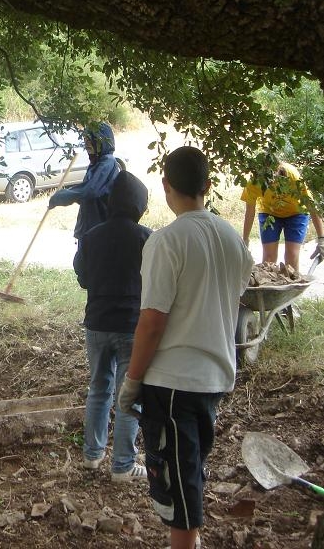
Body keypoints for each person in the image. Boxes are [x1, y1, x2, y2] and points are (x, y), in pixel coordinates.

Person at [118, 146, 253, 549]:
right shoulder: (233, 240)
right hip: (213, 378)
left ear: (166, 187)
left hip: (174, 383)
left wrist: (132, 381)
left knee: (177, 483)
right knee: (188, 472)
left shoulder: (167, 241)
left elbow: (152, 322)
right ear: (208, 186)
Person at [72, 171, 152, 482]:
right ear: (139, 206)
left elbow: (82, 277)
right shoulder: (148, 238)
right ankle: (122, 466)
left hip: (97, 324)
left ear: (111, 202)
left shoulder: (91, 236)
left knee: (98, 389)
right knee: (128, 396)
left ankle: (92, 456)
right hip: (132, 327)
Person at [241, 161, 324, 271]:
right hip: (269, 213)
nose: (272, 183)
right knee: (268, 259)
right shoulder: (254, 181)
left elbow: (310, 204)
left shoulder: (293, 175)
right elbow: (249, 212)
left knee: (291, 257)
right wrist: (245, 240)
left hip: (297, 213)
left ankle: (293, 286)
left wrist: (321, 239)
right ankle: (268, 287)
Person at [48, 121, 121, 243]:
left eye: (90, 140)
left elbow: (89, 191)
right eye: (85, 140)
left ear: (101, 142)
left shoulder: (107, 163)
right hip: (89, 229)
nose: (87, 144)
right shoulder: (96, 163)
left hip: (97, 231)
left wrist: (61, 196)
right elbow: (86, 193)